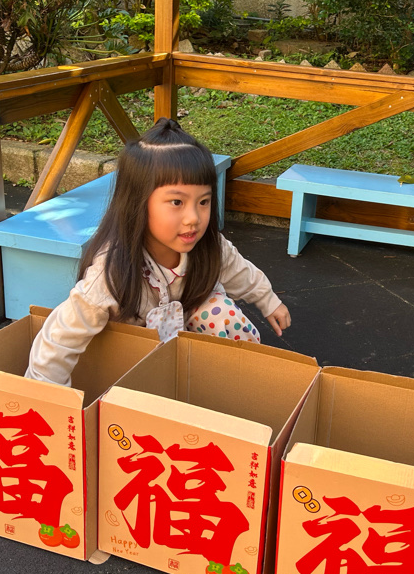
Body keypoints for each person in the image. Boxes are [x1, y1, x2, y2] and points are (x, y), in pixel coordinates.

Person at [25, 117, 291, 386]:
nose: (193, 218)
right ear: (137, 203)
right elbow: (61, 337)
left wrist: (268, 300)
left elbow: (240, 272)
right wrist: (48, 395)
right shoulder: (111, 272)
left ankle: (242, 384)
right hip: (133, 358)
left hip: (186, 347)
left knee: (220, 311)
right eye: (176, 202)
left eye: (203, 201)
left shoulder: (208, 247)